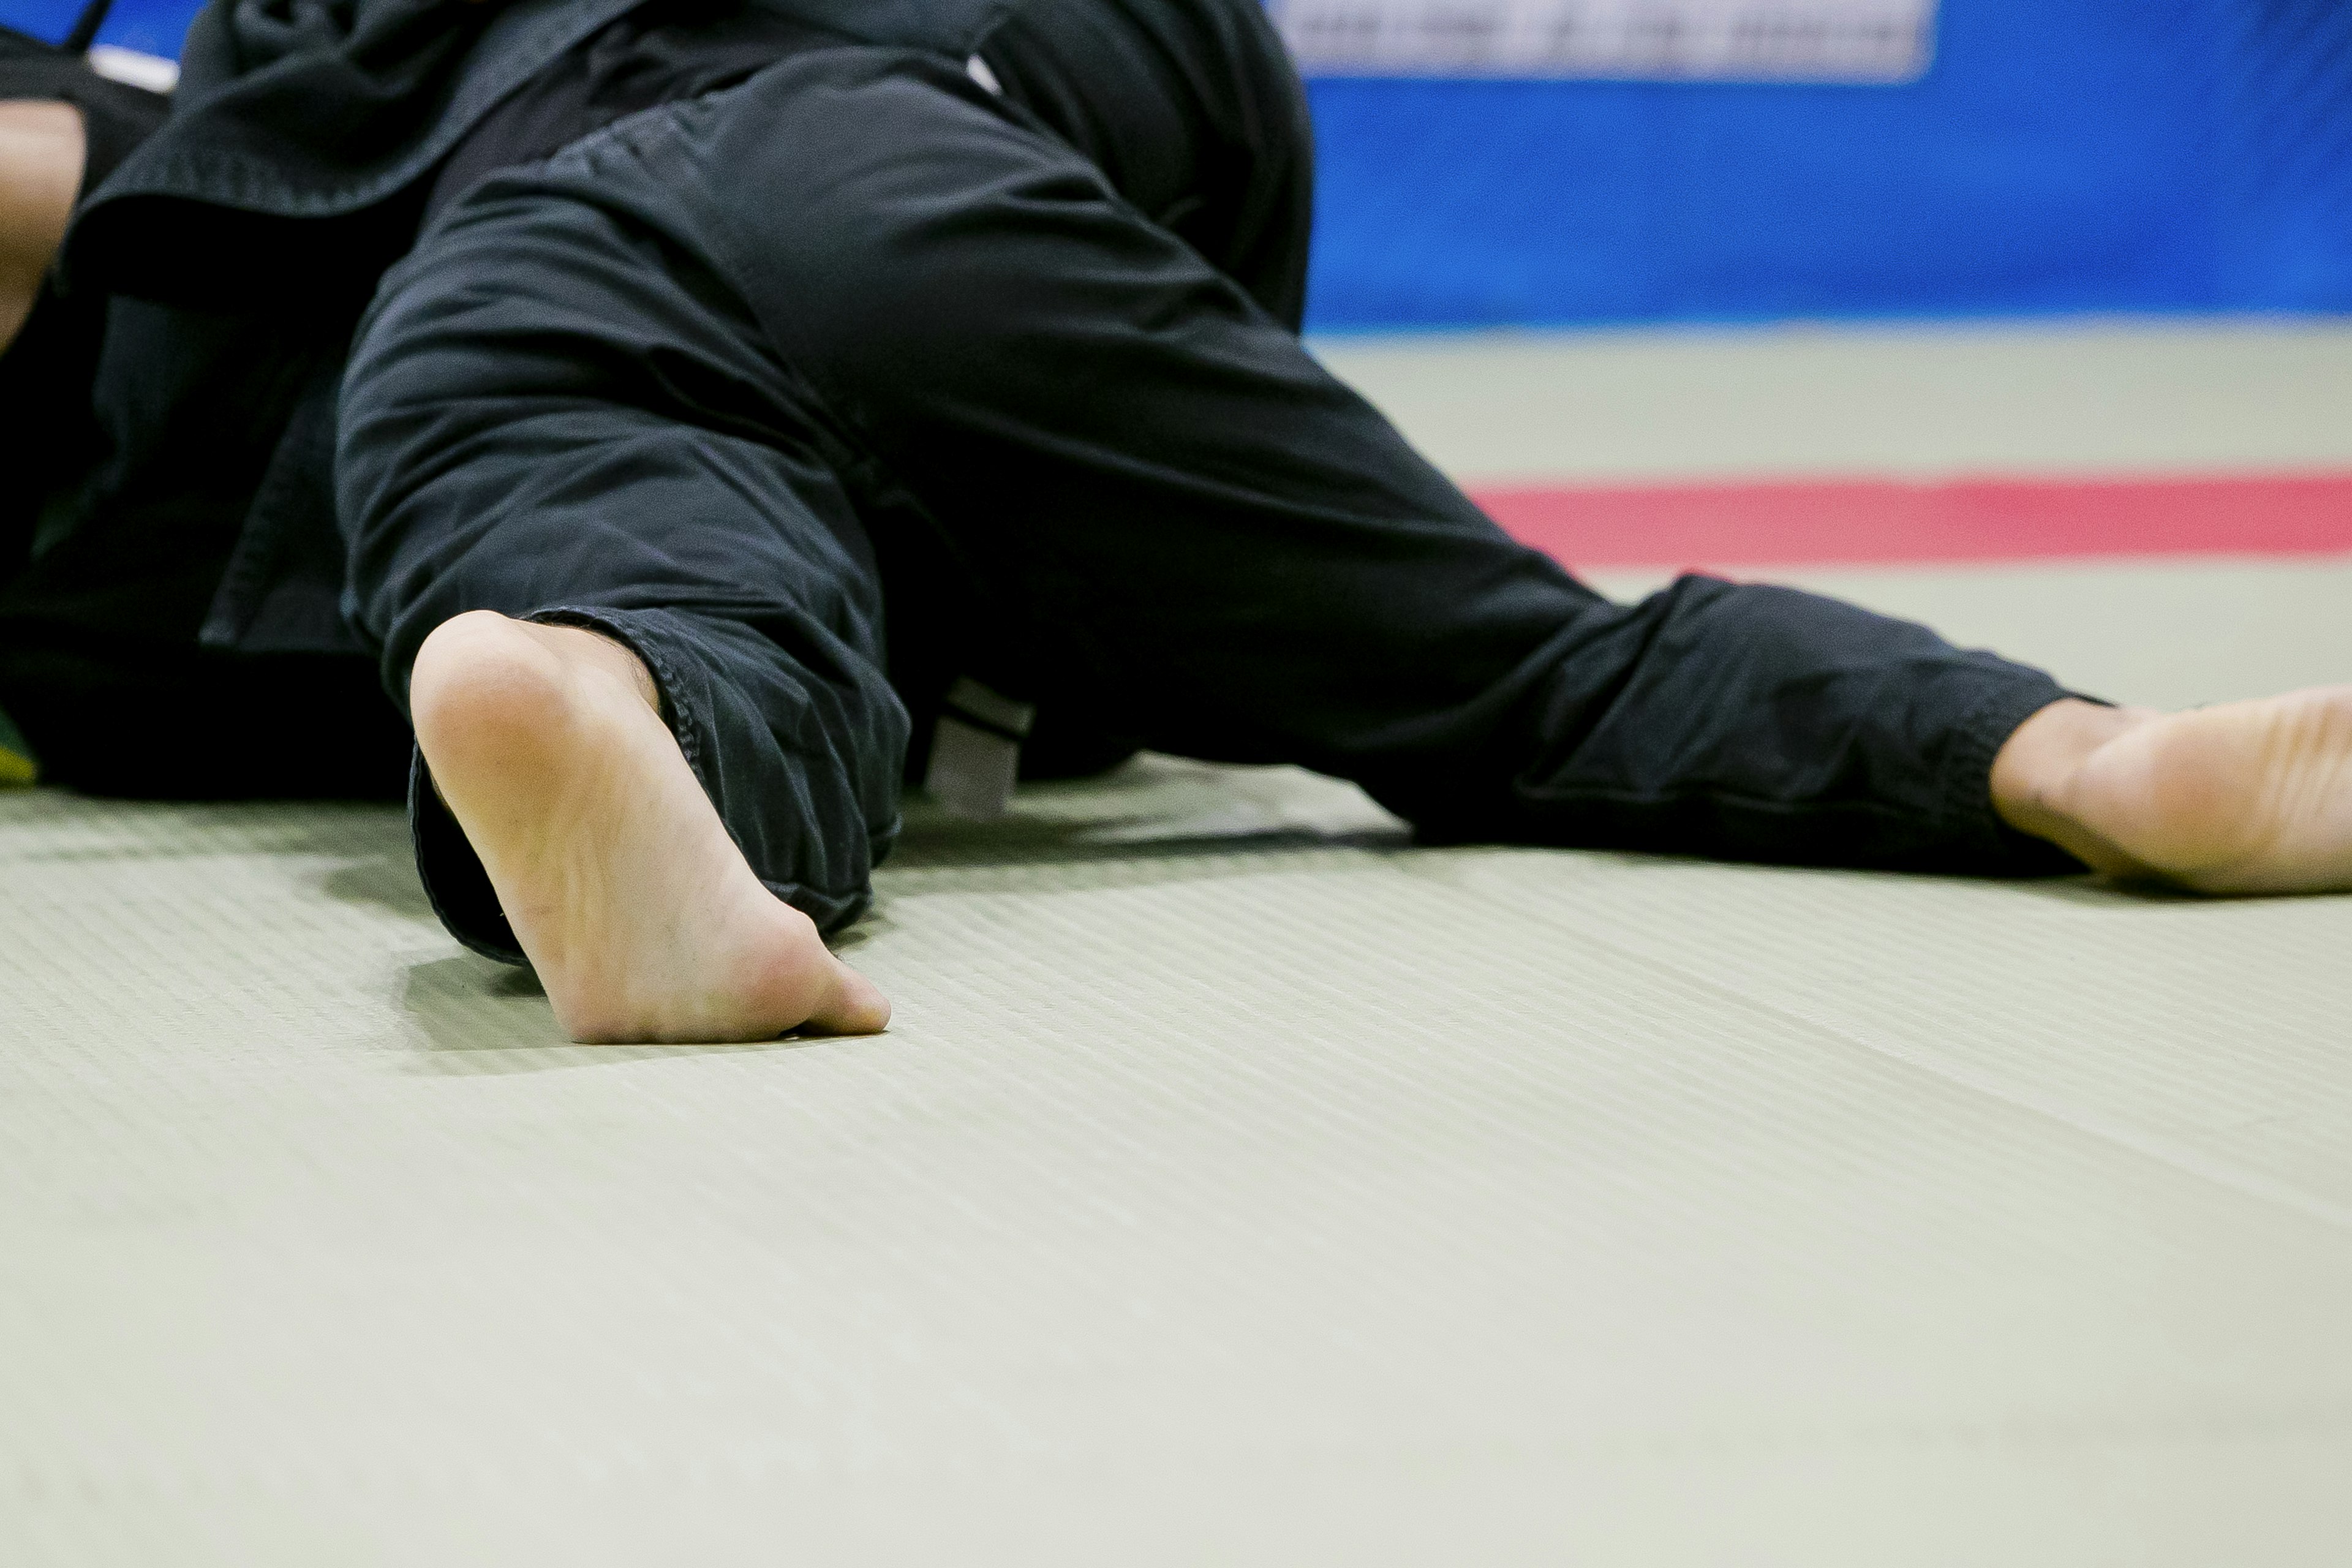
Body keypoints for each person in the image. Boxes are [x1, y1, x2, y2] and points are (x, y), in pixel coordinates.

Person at [7, 0, 2350, 1046]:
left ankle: (631, 710)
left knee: (638, 553)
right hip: (963, 181)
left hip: (599, 236)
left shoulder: (304, 184)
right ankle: (2081, 757)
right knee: (1528, 670)